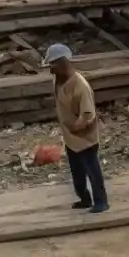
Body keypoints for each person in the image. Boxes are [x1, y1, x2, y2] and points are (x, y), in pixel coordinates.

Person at [47, 44, 107, 213]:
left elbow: (88, 114)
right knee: (77, 173)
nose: (51, 69)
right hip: (70, 138)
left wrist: (77, 127)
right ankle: (84, 198)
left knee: (92, 171)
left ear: (63, 63)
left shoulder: (80, 85)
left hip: (84, 137)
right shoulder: (58, 81)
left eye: (53, 65)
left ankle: (101, 201)